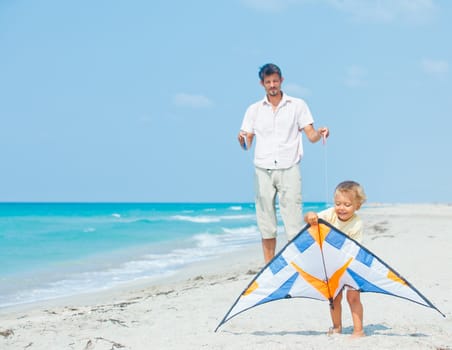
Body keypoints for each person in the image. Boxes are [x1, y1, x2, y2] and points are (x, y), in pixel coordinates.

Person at [238, 63, 329, 263]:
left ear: (281, 80)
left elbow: (311, 135)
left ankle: (297, 265)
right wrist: (242, 140)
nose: (272, 85)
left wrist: (320, 132)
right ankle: (269, 266)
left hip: (289, 167)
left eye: (275, 81)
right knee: (266, 222)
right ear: (262, 83)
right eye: (268, 82)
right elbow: (248, 143)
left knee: (294, 221)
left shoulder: (298, 105)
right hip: (263, 168)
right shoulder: (253, 110)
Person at [304, 180, 367, 338]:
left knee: (353, 297)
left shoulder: (357, 223)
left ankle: (358, 330)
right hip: (332, 265)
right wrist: (310, 216)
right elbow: (311, 219)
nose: (341, 208)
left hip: (351, 265)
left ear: (357, 206)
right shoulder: (330, 213)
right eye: (338, 203)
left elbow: (354, 248)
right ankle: (337, 327)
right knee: (334, 299)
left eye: (347, 204)